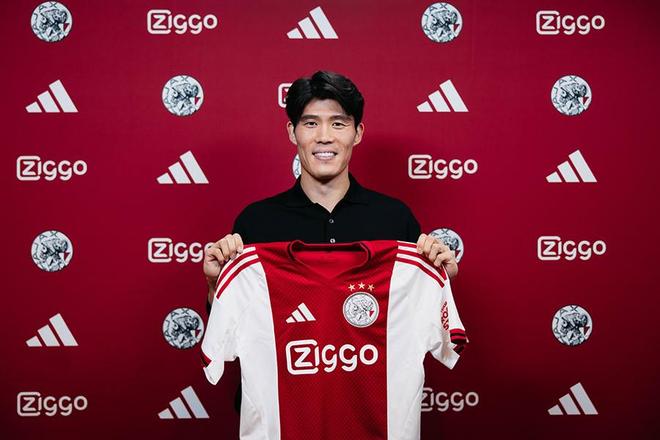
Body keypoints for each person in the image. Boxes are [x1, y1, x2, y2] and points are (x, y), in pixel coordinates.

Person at [203, 71, 458, 308]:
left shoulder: (395, 219)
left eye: (338, 124)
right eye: (311, 124)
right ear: (292, 132)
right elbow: (234, 326)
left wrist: (440, 281)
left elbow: (417, 317)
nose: (324, 136)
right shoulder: (256, 222)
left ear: (357, 133)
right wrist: (216, 287)